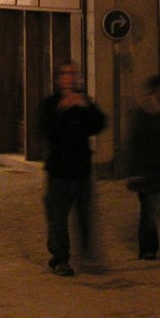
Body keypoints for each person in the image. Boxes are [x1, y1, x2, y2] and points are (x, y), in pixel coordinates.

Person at [38, 60, 107, 277]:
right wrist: (61, 109)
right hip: (59, 171)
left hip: (82, 169)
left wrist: (85, 107)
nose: (70, 78)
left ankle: (87, 256)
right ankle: (59, 259)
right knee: (58, 218)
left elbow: (99, 124)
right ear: (59, 79)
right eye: (66, 74)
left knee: (85, 215)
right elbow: (45, 130)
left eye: (73, 74)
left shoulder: (83, 101)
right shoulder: (51, 104)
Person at [127, 73, 160, 260]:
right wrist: (135, 171)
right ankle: (147, 248)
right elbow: (135, 143)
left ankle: (150, 246)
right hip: (146, 170)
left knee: (152, 210)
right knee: (148, 209)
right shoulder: (144, 112)